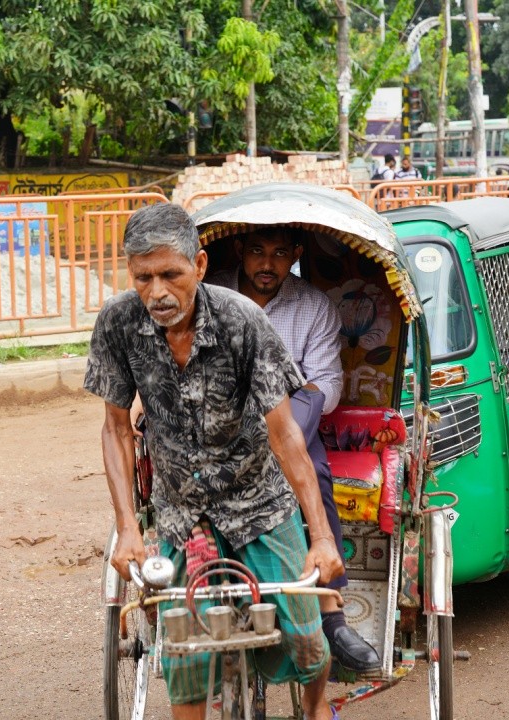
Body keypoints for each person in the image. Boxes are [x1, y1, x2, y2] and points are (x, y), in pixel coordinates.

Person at [85, 204, 344, 720]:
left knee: (306, 640)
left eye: (171, 275)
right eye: (143, 277)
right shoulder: (117, 323)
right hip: (181, 514)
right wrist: (128, 528)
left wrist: (320, 536)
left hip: (260, 503)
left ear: (199, 266)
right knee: (183, 653)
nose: (157, 291)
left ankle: (316, 711)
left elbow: (285, 433)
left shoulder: (242, 320)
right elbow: (116, 429)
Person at [208, 227, 383, 674]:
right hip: (215, 420)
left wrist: (283, 431)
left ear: (296, 255)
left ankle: (331, 614)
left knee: (314, 477)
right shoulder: (209, 294)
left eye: (280, 253)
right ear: (238, 252)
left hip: (290, 419)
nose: (267, 264)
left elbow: (326, 382)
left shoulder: (312, 306)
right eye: (257, 252)